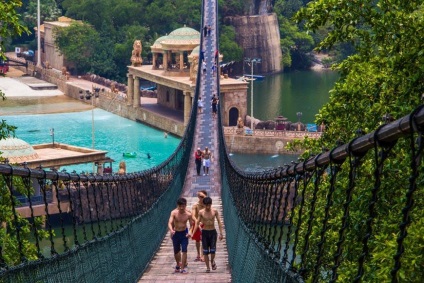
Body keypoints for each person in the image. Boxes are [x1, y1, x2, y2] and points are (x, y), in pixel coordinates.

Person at [168, 197, 195, 274]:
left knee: (184, 250)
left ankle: (182, 268)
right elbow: (169, 223)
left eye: (183, 206)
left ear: (185, 205)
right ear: (178, 206)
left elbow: (191, 225)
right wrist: (171, 230)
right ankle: (178, 264)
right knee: (176, 251)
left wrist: (190, 232)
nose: (182, 208)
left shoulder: (188, 214)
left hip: (184, 234)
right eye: (180, 206)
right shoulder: (174, 213)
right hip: (176, 233)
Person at [197, 197, 223, 273]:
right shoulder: (201, 212)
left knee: (212, 250)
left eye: (209, 205)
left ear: (211, 204)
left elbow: (219, 222)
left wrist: (221, 233)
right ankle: (208, 267)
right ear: (204, 205)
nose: (208, 207)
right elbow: (197, 222)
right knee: (205, 251)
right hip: (205, 232)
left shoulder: (214, 211)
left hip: (212, 232)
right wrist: (199, 228)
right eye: (206, 205)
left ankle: (212, 261)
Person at [190, 190, 208, 262]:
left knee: (203, 240)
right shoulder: (195, 206)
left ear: (206, 196)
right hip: (197, 224)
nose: (201, 198)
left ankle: (202, 255)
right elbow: (193, 216)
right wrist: (197, 222)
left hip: (205, 224)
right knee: (197, 240)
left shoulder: (207, 205)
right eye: (199, 196)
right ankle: (198, 254)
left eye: (202, 197)